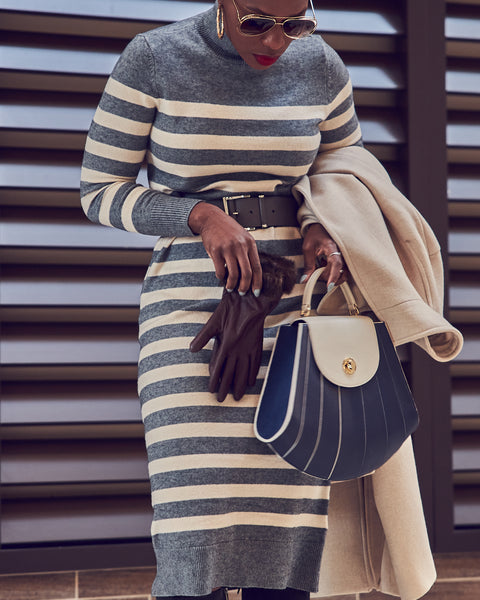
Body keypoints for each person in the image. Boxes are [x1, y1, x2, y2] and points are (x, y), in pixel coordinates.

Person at [81, 1, 460, 598]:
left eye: (296, 24)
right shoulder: (154, 57)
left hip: (296, 308)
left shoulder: (322, 65)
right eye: (257, 21)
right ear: (225, 5)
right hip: (190, 305)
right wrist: (200, 215)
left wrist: (318, 225)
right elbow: (99, 191)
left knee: (288, 519)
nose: (277, 41)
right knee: (194, 512)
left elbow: (344, 172)